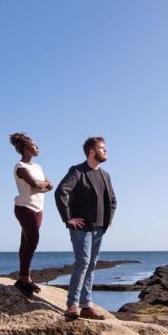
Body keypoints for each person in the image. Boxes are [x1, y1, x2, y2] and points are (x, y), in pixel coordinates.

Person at [55, 136, 116, 320]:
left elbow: (112, 200)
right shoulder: (77, 171)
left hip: (99, 228)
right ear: (91, 151)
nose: (106, 151)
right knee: (82, 263)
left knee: (91, 265)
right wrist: (68, 218)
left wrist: (107, 222)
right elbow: (61, 192)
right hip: (81, 228)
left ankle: (86, 305)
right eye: (102, 148)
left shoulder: (105, 175)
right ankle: (72, 305)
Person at [9, 132, 53, 294]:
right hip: (24, 207)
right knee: (33, 239)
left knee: (25, 242)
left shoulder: (38, 167)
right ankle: (25, 278)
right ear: (26, 148)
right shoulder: (20, 167)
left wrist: (42, 185)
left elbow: (50, 185)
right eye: (35, 145)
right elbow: (35, 184)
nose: (38, 147)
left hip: (38, 208)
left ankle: (23, 278)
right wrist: (42, 185)